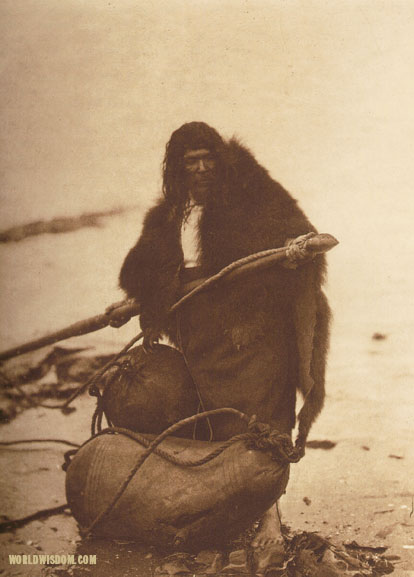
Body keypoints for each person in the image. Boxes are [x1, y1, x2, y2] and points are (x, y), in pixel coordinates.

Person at [119, 121, 330, 563]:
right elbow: (143, 270)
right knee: (218, 423)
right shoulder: (168, 215)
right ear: (176, 168)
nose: (201, 169)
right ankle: (235, 511)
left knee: (266, 418)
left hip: (253, 326)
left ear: (220, 159)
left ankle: (270, 515)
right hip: (202, 335)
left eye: (207, 158)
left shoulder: (251, 189)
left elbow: (298, 229)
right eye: (190, 162)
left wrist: (295, 247)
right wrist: (148, 298)